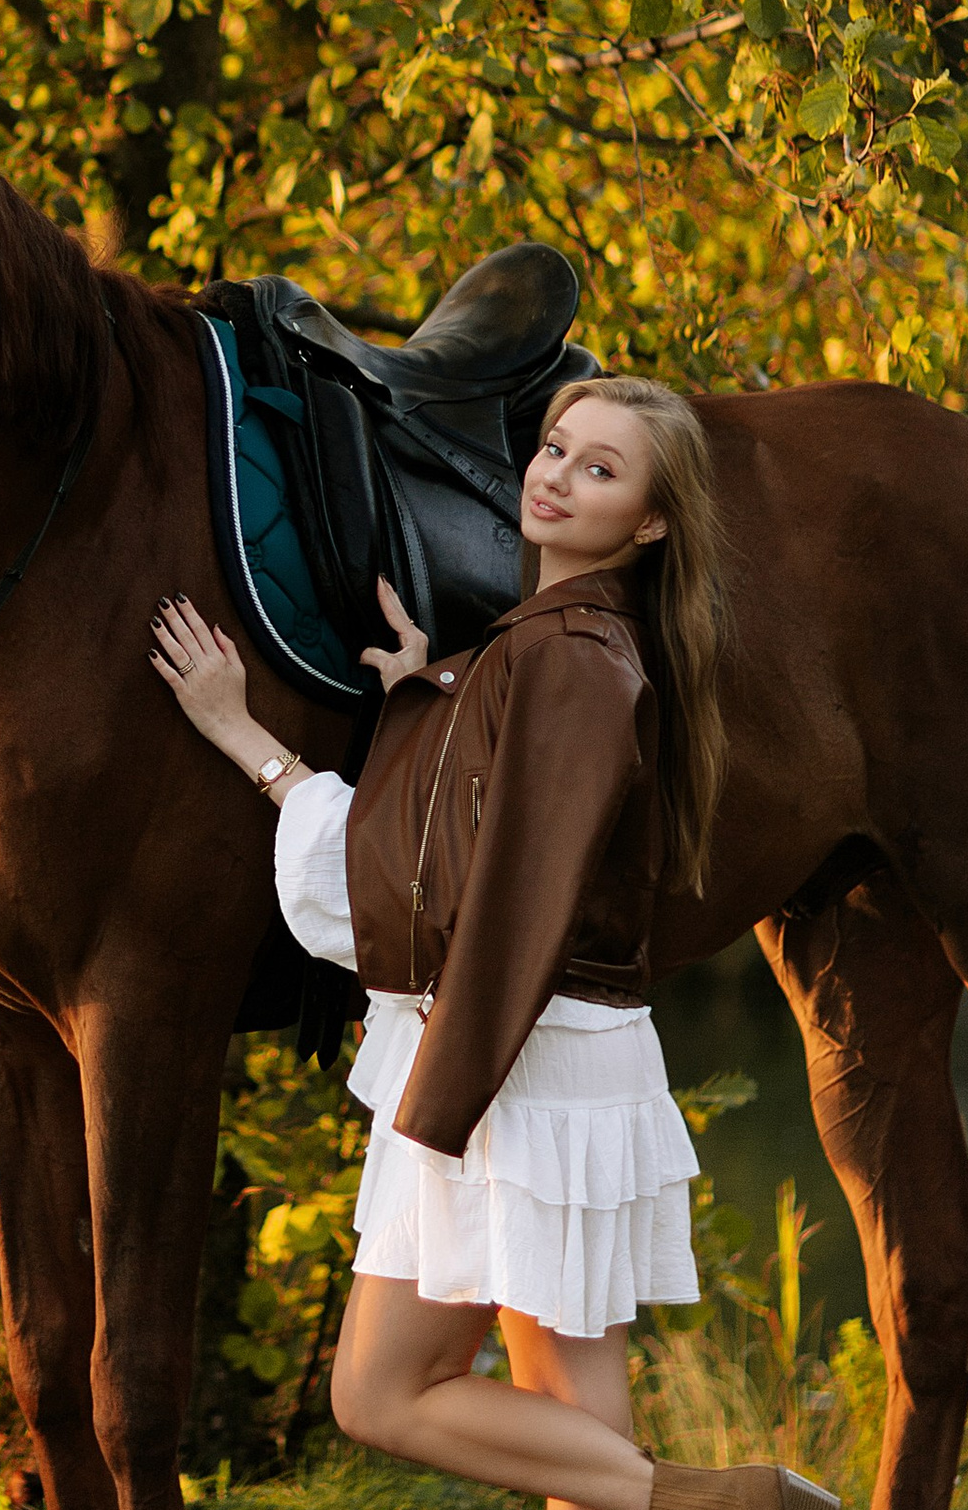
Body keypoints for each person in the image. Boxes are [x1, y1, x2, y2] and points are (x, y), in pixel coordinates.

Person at [151, 375, 833, 1510]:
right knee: (569, 1437)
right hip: (556, 1060)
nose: (556, 475)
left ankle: (723, 1502)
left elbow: (514, 897)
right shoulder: (560, 644)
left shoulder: (571, 659)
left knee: (378, 1391)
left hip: (512, 1065)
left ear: (651, 522)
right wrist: (430, 690)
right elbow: (466, 832)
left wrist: (244, 737)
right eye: (556, 448)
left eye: (599, 468)